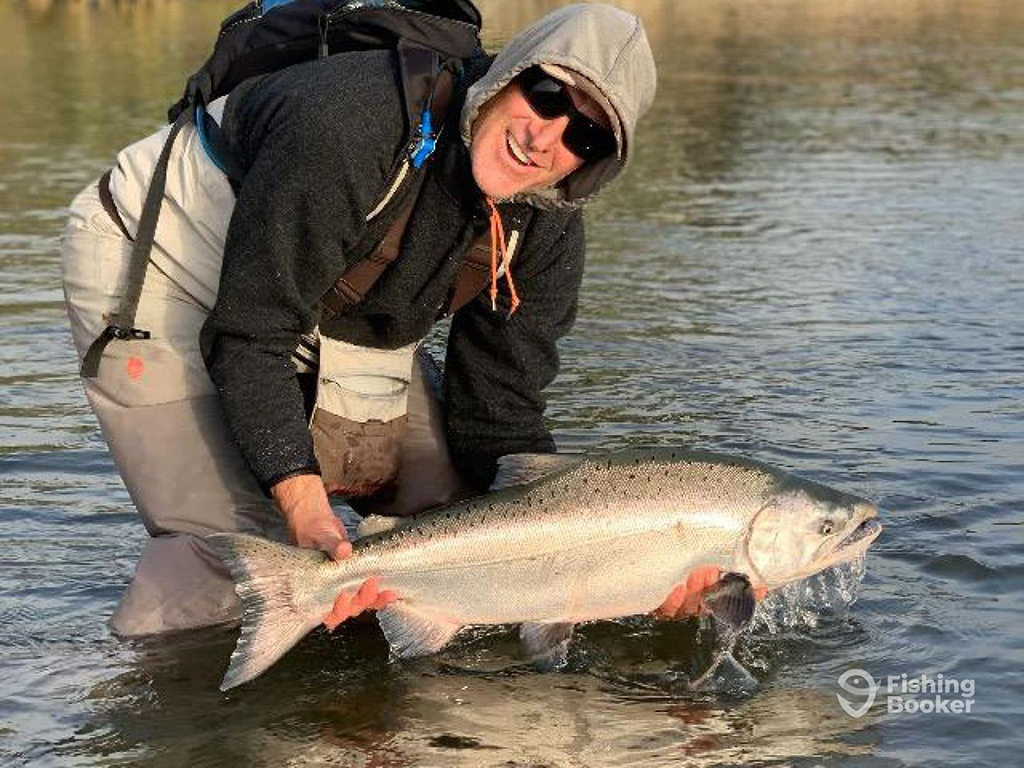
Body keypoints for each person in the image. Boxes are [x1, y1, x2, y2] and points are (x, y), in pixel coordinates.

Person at [61, 2, 730, 638]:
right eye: (547, 97)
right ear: (508, 74)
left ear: (595, 162)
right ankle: (150, 711)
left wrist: (609, 571)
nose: (544, 137)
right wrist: (304, 506)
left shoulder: (547, 228)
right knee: (240, 555)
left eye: (583, 132)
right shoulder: (348, 124)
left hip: (324, 289)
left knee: (452, 508)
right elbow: (252, 337)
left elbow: (496, 416)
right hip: (165, 264)